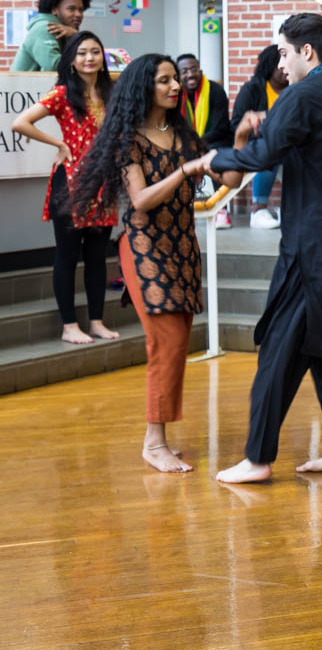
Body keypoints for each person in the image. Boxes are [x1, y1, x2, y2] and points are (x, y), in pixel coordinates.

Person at [203, 13, 322, 484]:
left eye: (283, 52)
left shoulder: (301, 95)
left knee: (279, 350)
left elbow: (262, 157)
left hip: (313, 248)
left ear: (307, 51)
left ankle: (257, 458)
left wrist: (213, 157)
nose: (279, 63)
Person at [73, 54, 237, 472]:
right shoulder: (129, 140)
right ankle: (153, 442)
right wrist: (184, 171)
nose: (174, 86)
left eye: (174, 80)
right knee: (164, 339)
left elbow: (230, 179)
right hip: (143, 244)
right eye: (164, 80)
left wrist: (239, 142)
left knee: (179, 339)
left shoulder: (181, 132)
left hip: (182, 246)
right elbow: (142, 199)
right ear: (144, 88)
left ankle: (159, 435)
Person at [12, 31, 119, 344]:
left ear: (102, 58)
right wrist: (58, 143)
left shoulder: (112, 92)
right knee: (68, 255)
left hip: (104, 181)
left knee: (99, 256)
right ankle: (69, 325)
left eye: (95, 52)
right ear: (71, 60)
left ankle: (96, 322)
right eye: (82, 52)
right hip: (70, 182)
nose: (89, 58)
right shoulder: (61, 93)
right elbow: (20, 123)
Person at [230, 44, 288, 229]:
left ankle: (291, 208)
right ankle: (258, 209)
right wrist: (266, 118)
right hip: (256, 144)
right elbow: (236, 124)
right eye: (278, 64)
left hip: (290, 145)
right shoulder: (252, 89)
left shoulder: (295, 88)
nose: (283, 69)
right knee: (268, 148)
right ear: (268, 66)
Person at [176, 53, 234, 228]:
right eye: (185, 71)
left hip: (215, 141)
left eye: (194, 69)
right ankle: (180, 207)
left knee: (217, 157)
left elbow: (221, 127)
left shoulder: (215, 91)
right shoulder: (175, 94)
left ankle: (222, 210)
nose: (190, 74)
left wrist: (196, 144)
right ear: (178, 75)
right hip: (185, 142)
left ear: (200, 69)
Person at [11, 0, 91, 72]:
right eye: (71, 9)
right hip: (23, 86)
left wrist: (75, 35)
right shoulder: (44, 28)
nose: (78, 14)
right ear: (54, 10)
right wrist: (77, 36)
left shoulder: (66, 30)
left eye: (81, 10)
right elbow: (55, 67)